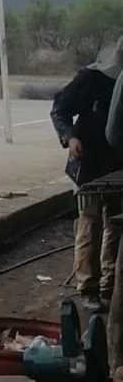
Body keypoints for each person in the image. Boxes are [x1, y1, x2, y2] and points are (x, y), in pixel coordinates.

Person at [51, 37, 123, 312]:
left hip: (118, 162)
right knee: (90, 222)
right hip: (89, 159)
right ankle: (88, 285)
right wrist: (70, 137)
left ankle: (110, 282)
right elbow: (60, 109)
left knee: (116, 223)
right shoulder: (90, 79)